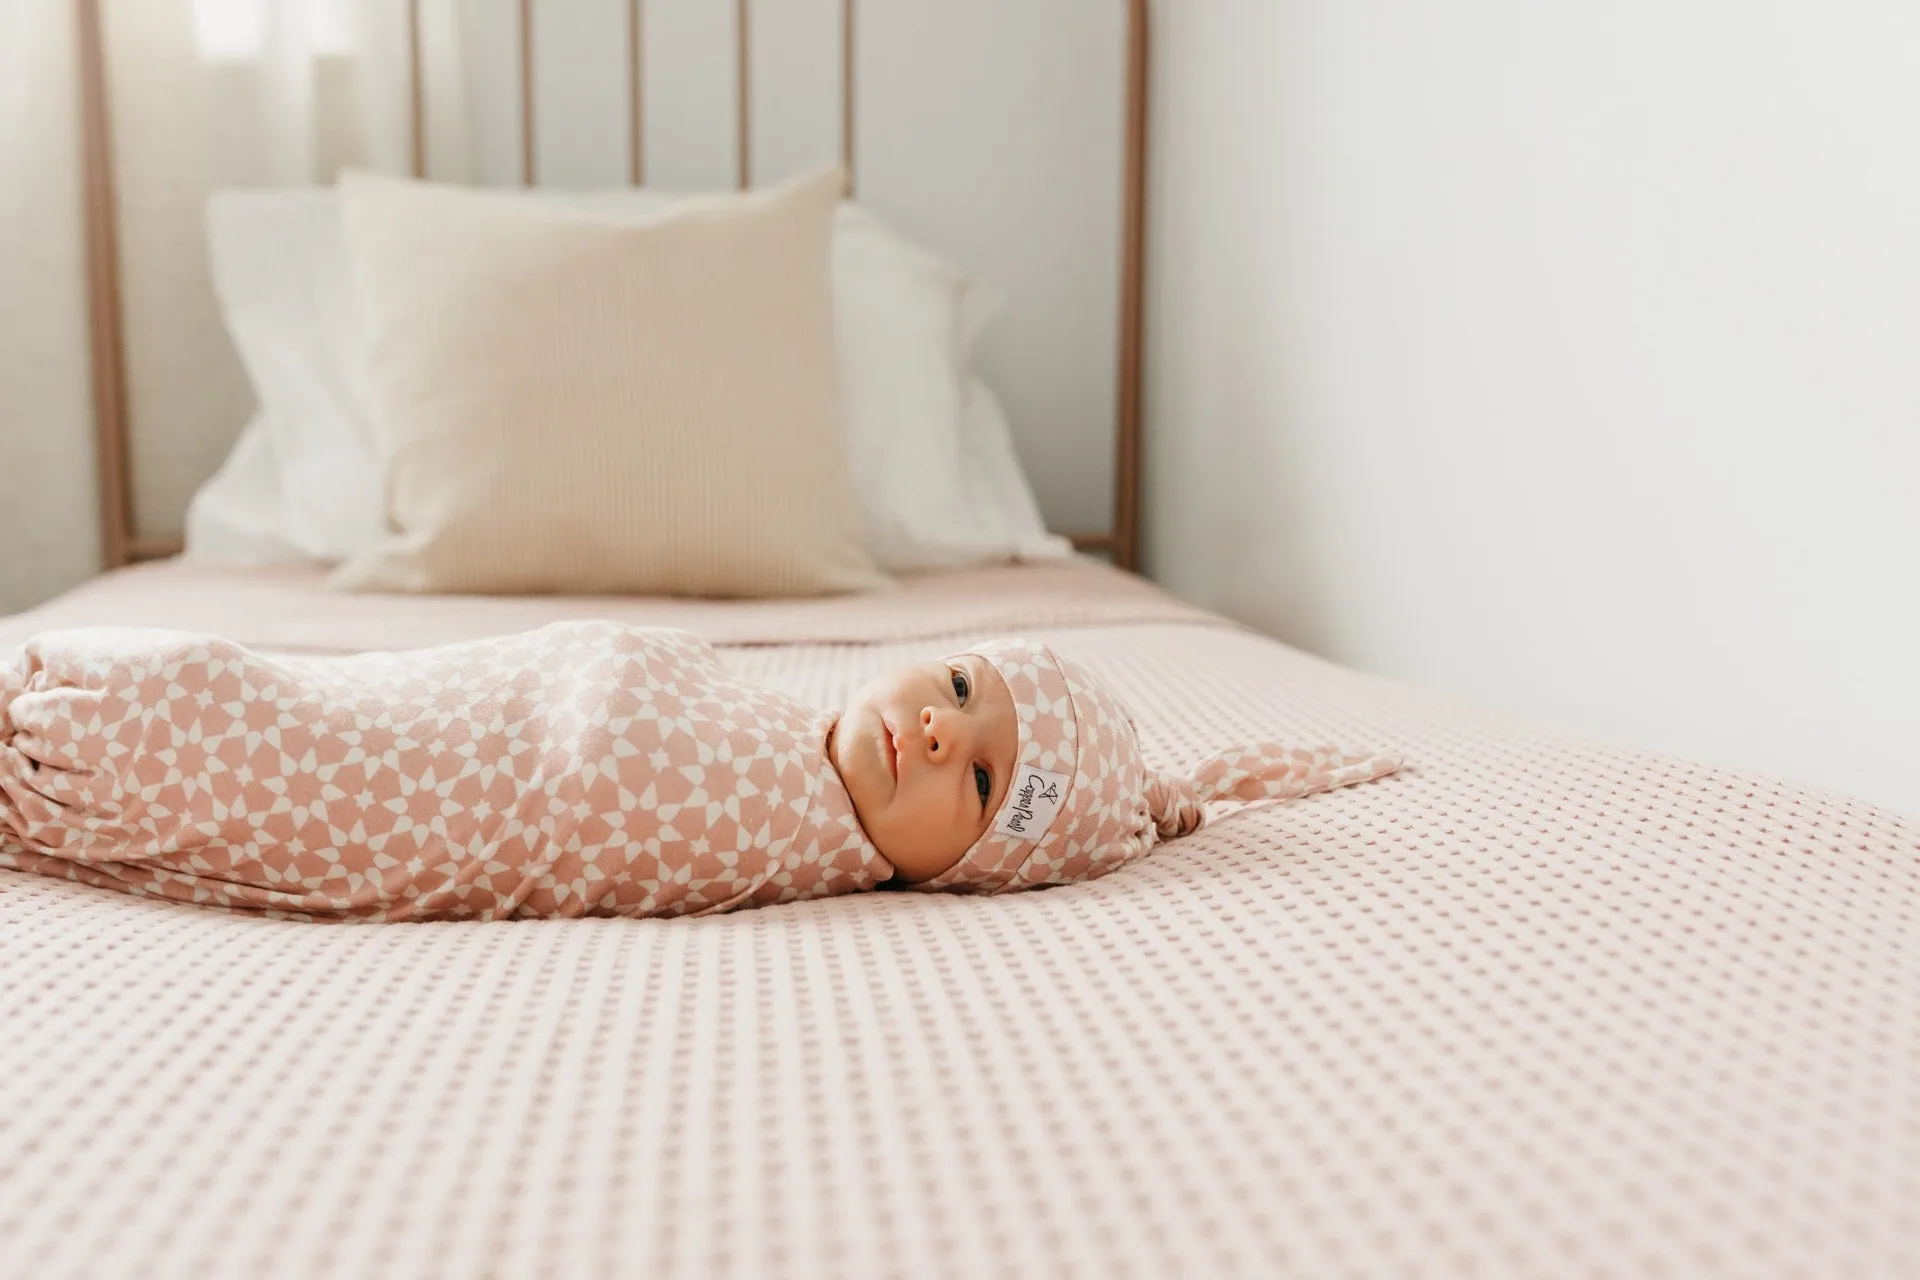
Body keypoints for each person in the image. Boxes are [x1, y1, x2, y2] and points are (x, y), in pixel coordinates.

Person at [0, 622, 1399, 921]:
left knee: (212, 710)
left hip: (381, 765)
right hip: (414, 685)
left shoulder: (786, 826)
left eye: (975, 784)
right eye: (962, 690)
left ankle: (72, 740)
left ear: (971, 869)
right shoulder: (790, 725)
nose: (935, 732)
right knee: (257, 678)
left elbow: (561, 798)